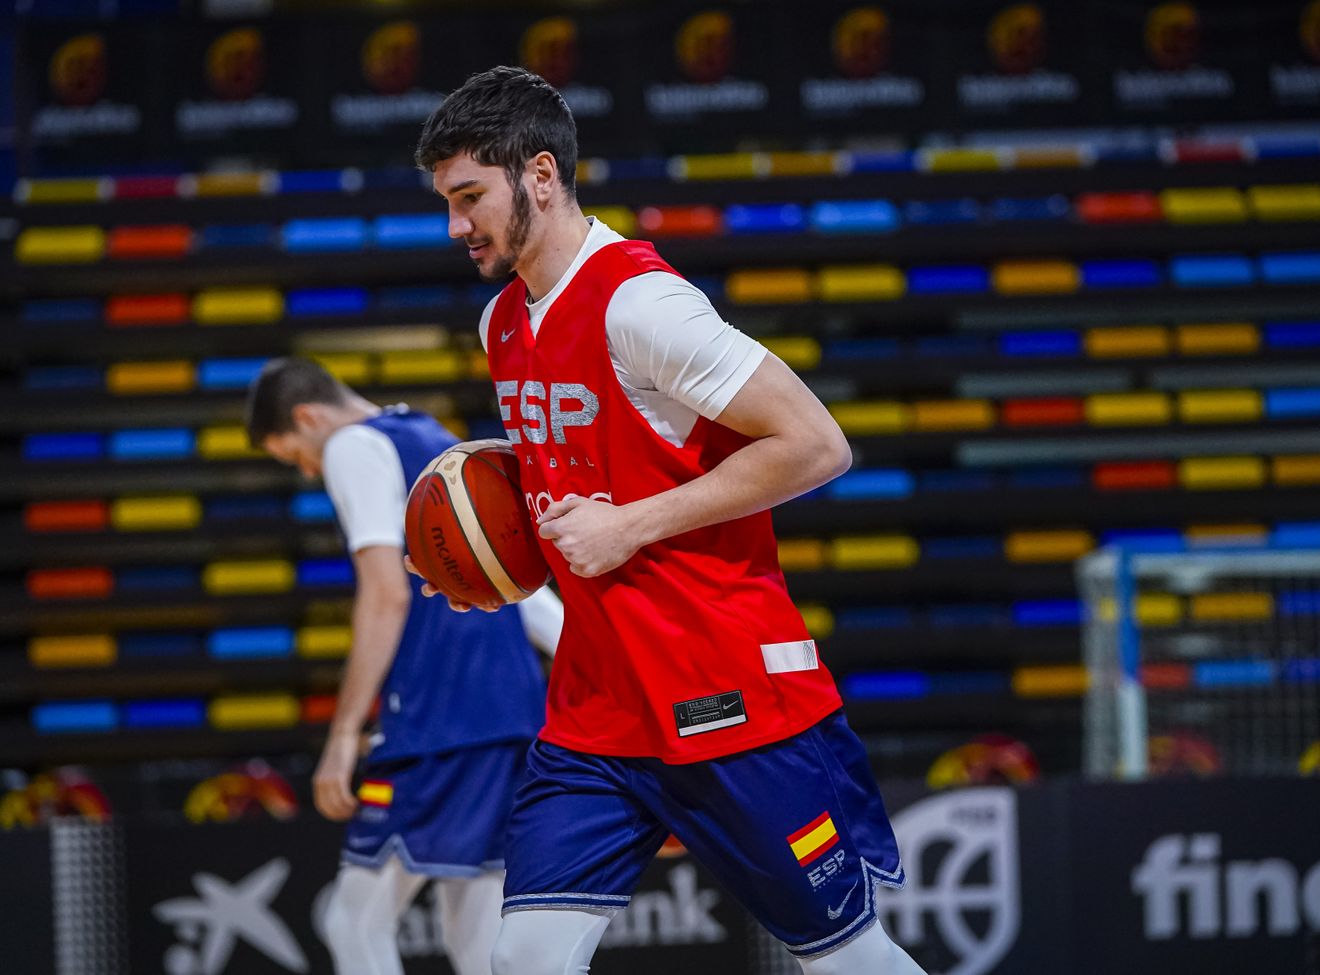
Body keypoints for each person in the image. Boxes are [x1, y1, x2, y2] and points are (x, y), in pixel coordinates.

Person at [411, 67, 924, 974]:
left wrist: (632, 525)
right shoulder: (501, 324)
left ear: (539, 174)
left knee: (848, 959)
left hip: (722, 692)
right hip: (598, 708)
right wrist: (483, 564)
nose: (457, 225)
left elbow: (817, 445)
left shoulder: (641, 303)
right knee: (523, 959)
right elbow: (575, 488)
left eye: (469, 197)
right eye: (448, 203)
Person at [245, 357, 563, 975]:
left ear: (307, 418)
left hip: (437, 718)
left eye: (294, 456)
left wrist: (343, 734)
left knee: (353, 922)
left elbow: (386, 592)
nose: (308, 471)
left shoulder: (350, 447)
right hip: (511, 713)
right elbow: (518, 590)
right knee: (477, 939)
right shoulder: (433, 435)